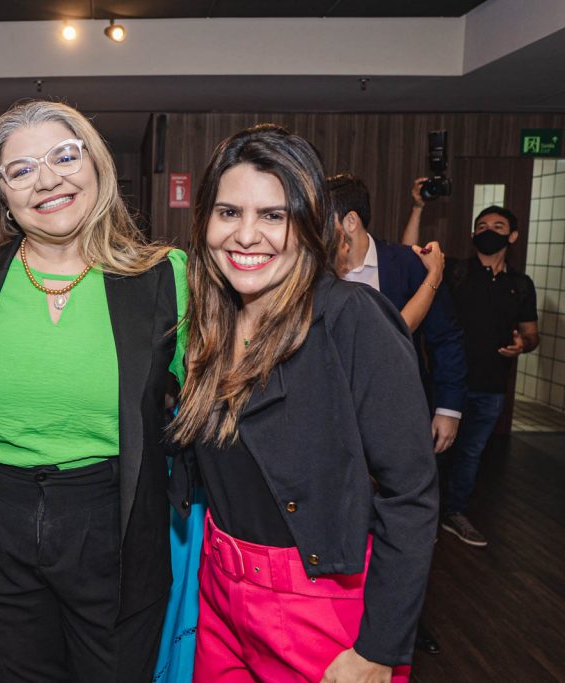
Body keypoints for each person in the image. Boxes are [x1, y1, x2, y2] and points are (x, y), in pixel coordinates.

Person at [0, 100, 187, 683]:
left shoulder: (163, 275)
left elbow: (219, 397)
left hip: (114, 519)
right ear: (3, 193)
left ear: (95, 164)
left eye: (64, 156)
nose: (47, 180)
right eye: (21, 169)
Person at [171, 124, 437, 682]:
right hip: (219, 589)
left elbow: (410, 492)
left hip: (318, 600)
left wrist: (380, 648)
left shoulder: (353, 317)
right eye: (228, 213)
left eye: (273, 215)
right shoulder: (209, 322)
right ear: (205, 222)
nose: (246, 235)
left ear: (310, 225)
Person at [327, 173, 468, 657]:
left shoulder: (404, 263)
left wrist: (447, 408)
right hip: (338, 421)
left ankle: (401, 620)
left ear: (348, 221)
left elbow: (446, 337)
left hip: (400, 416)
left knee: (403, 522)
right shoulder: (316, 268)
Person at [403, 203, 539, 547]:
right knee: (431, 454)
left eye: (497, 225)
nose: (487, 230)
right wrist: (419, 208)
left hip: (491, 388)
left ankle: (455, 514)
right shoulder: (455, 273)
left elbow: (532, 333)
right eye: (481, 225)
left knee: (470, 454)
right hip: (446, 386)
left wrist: (523, 343)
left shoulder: (520, 285)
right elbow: (409, 257)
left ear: (512, 235)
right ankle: (424, 522)